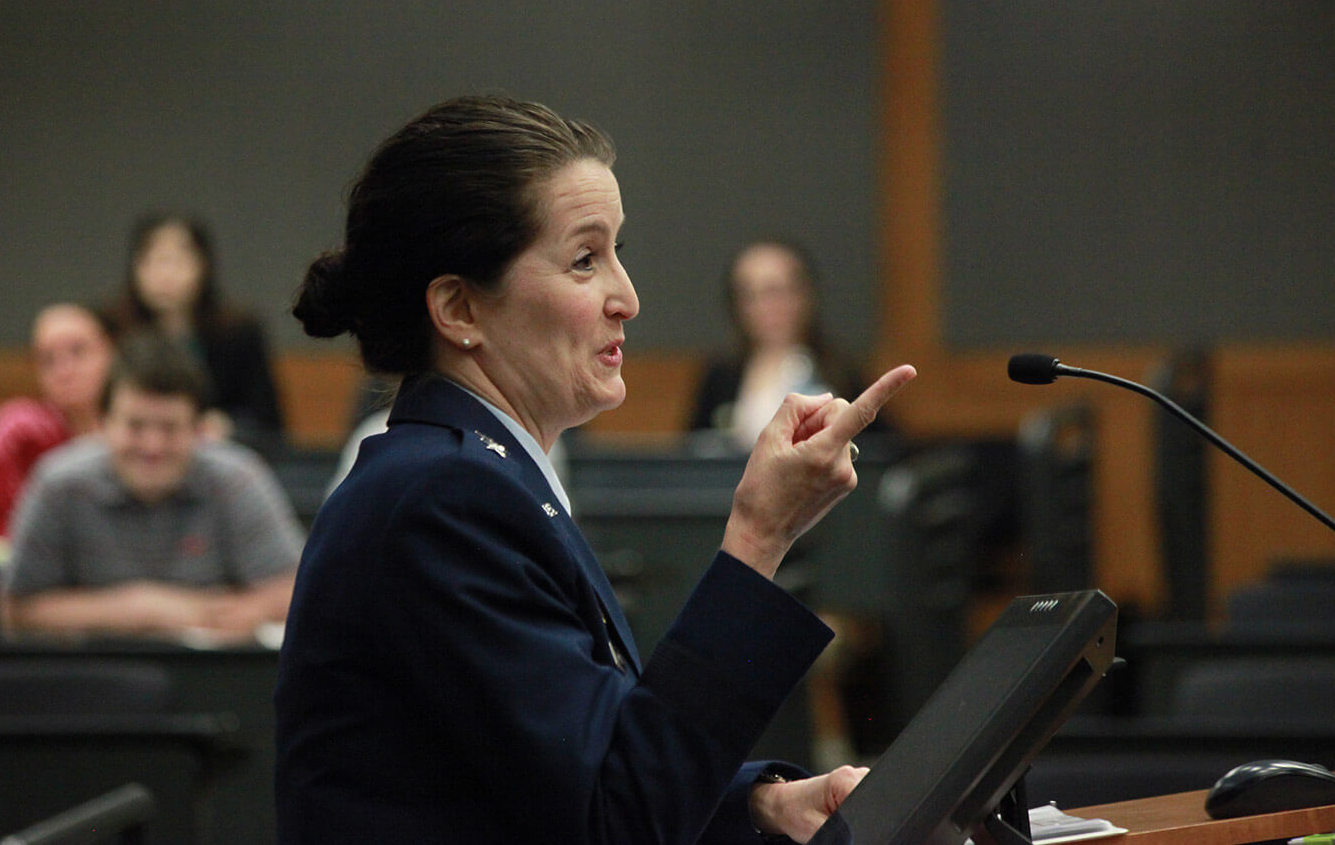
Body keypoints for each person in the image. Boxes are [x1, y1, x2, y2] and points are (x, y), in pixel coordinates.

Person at [276, 95, 916, 844]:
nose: (628, 298)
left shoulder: (474, 473)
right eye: (585, 259)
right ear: (460, 310)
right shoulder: (441, 498)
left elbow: (569, 770)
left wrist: (756, 805)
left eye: (617, 252)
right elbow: (619, 820)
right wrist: (759, 535)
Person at [0, 333, 302, 643]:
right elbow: (15, 611)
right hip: (88, 679)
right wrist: (139, 609)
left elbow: (296, 592)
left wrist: (238, 612)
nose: (152, 446)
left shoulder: (238, 480)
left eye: (170, 428)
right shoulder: (59, 484)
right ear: (103, 423)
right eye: (135, 426)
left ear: (199, 430)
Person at [103, 212, 286, 442]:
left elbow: (269, 421)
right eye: (152, 260)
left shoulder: (239, 332)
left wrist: (227, 426)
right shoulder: (110, 330)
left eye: (178, 260)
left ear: (203, 266)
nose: (165, 273)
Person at [688, 239, 869, 450]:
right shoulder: (721, 375)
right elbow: (695, 450)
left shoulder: (839, 370)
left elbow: (880, 448)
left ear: (804, 295)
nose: (765, 307)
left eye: (775, 291)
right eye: (750, 295)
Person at [0, 303, 115, 543]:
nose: (64, 371)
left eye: (78, 351)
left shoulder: (141, 429)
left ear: (109, 352)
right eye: (48, 360)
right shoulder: (17, 432)